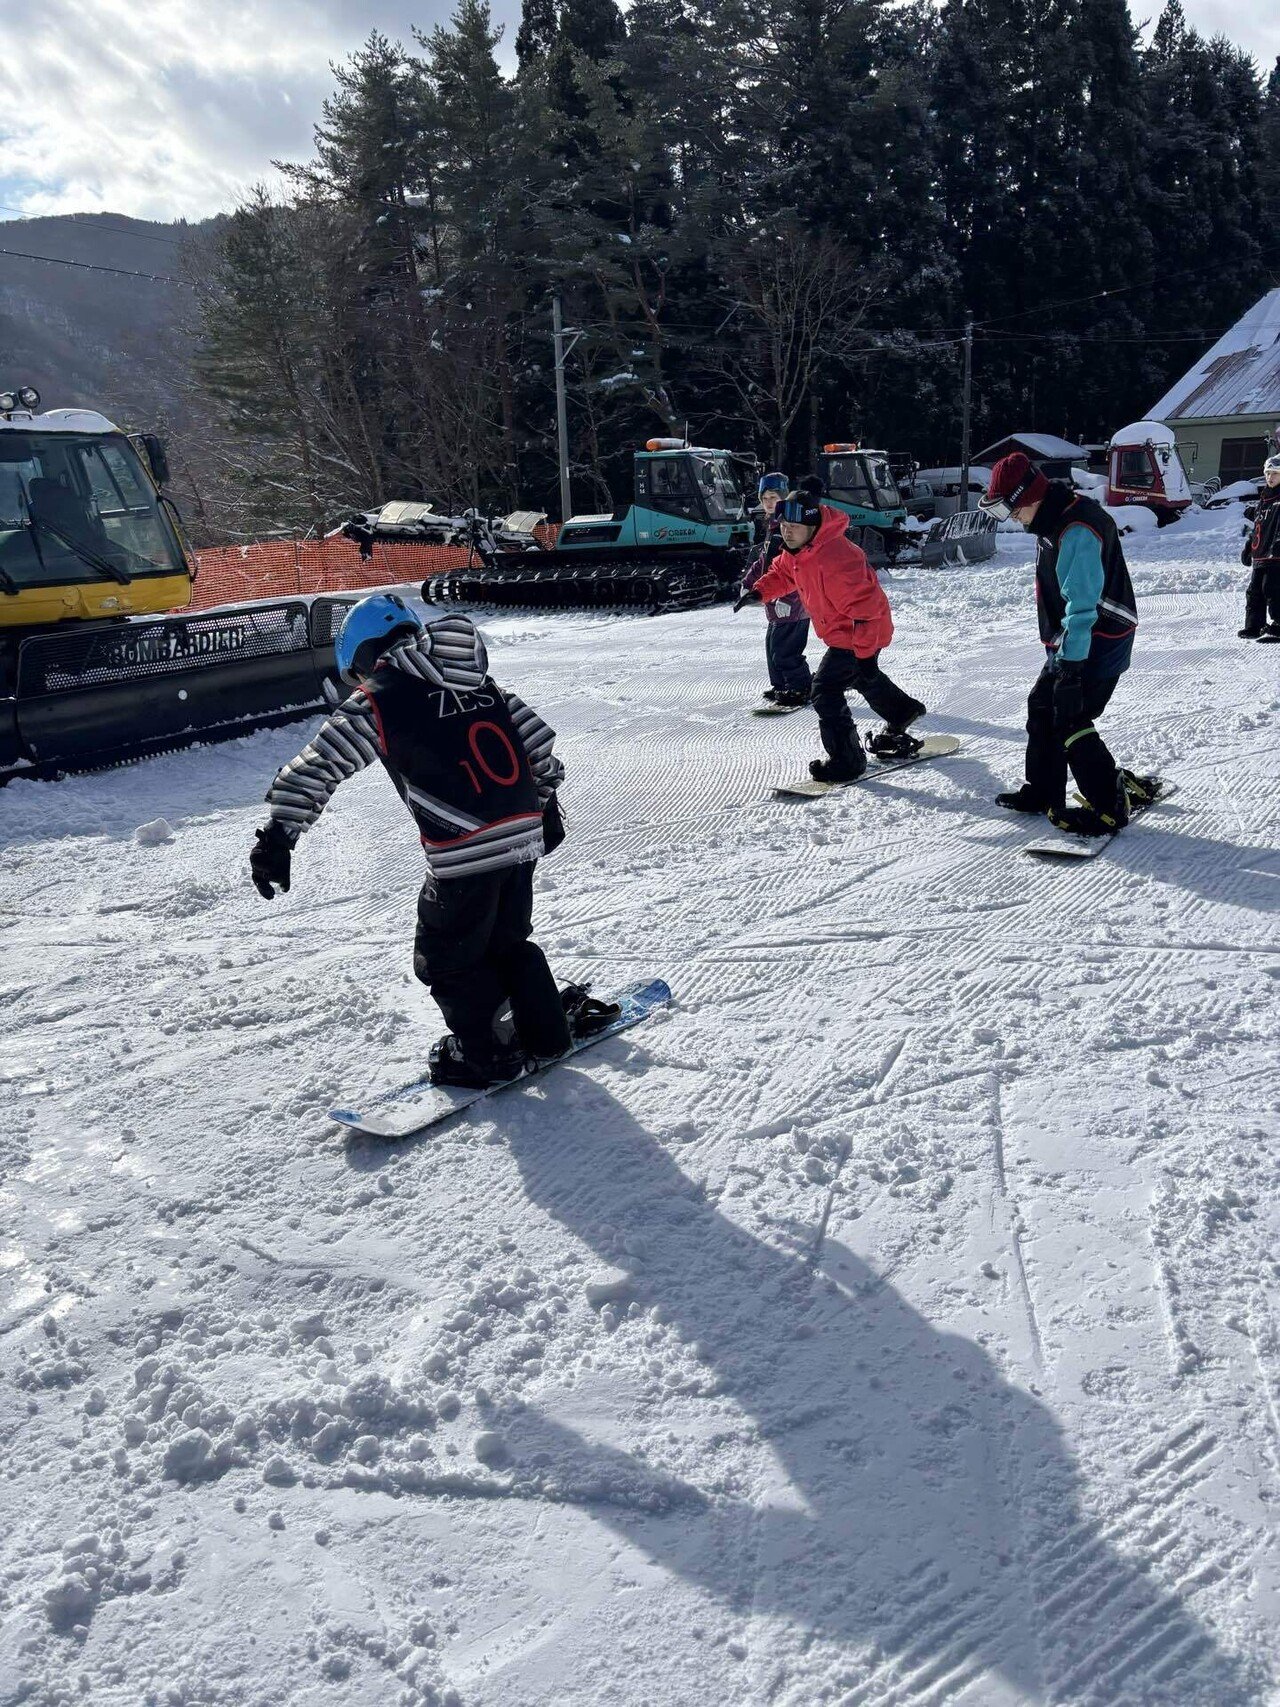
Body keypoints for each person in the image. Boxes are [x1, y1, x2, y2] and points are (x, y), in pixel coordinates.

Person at [248, 594, 616, 1087]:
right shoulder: (483, 685)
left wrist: (278, 834)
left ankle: (486, 1054)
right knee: (508, 938)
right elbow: (538, 746)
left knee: (447, 956)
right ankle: (546, 1030)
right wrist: (545, 803)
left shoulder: (380, 695)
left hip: (462, 848)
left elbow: (321, 763)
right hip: (521, 834)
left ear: (360, 658)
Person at [980, 452, 1153, 837]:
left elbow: (1082, 605)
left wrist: (1072, 668)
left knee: (1069, 717)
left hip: (1097, 638)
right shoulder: (1054, 519)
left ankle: (1110, 807)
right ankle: (1044, 790)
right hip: (1074, 640)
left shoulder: (1075, 528)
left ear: (1028, 496)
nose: (1011, 517)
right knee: (1041, 706)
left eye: (1010, 508)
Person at [743, 487, 926, 781]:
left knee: (825, 692)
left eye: (794, 527)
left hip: (860, 631)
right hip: (845, 631)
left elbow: (867, 611)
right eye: (784, 527)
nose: (787, 533)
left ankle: (847, 761)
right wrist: (760, 592)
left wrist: (865, 655)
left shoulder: (837, 559)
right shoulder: (800, 549)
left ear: (813, 526)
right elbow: (783, 573)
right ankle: (902, 711)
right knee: (860, 677)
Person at [741, 471, 811, 707]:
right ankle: (781, 685)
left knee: (785, 649)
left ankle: (800, 687)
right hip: (775, 598)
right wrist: (748, 583)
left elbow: (794, 564)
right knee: (773, 645)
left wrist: (785, 595)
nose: (769, 503)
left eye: (774, 497)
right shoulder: (773, 526)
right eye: (765, 498)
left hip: (792, 601)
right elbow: (764, 560)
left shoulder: (790, 525)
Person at [1239, 452, 1280, 640]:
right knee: (1254, 591)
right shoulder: (1264, 500)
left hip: (1277, 555)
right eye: (1267, 473)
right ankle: (1254, 626)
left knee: (1272, 589)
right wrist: (1250, 547)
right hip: (1261, 554)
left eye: (1275, 473)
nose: (1270, 477)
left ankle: (1279, 624)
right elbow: (1258, 527)